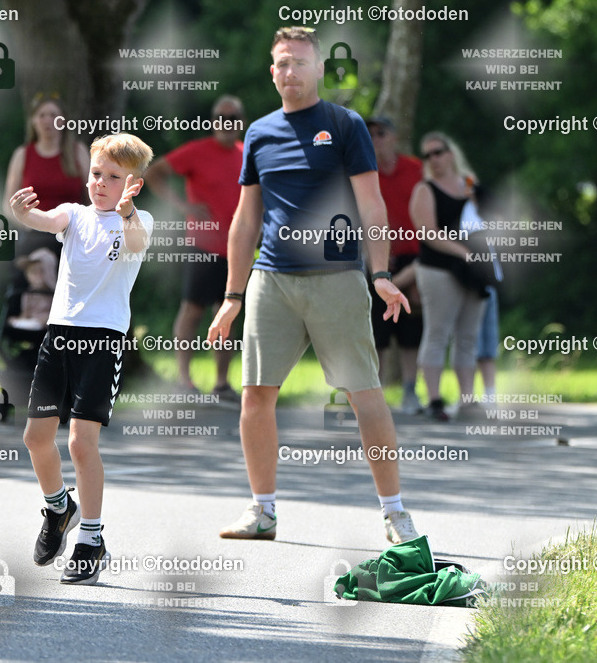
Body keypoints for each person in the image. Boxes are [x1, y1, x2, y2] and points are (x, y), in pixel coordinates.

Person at [207, 27, 420, 545]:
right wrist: (233, 296)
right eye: (282, 63)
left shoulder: (345, 125)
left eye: (300, 63)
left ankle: (395, 514)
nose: (291, 72)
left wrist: (380, 274)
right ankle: (262, 511)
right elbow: (245, 221)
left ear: (320, 70)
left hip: (337, 279)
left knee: (364, 395)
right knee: (255, 396)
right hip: (272, 279)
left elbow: (372, 205)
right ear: (271, 71)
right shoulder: (259, 133)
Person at [9, 133, 154, 585]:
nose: (101, 183)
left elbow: (136, 244)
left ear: (133, 185)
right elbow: (46, 219)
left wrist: (127, 212)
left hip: (103, 341)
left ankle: (91, 539)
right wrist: (24, 214)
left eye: (113, 177)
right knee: (36, 438)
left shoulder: (138, 221)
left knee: (80, 443)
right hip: (59, 337)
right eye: (96, 174)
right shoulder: (74, 215)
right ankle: (59, 508)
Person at [145, 95, 246, 401]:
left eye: (232, 118)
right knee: (192, 310)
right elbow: (153, 172)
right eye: (220, 117)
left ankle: (222, 385)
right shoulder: (197, 151)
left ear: (241, 122)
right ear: (213, 122)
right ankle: (184, 382)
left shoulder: (247, 153)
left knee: (227, 314)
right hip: (203, 245)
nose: (226, 123)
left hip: (237, 249)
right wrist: (182, 206)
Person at [408, 131, 488, 421]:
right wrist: (462, 252)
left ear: (451, 153)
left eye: (438, 152)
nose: (434, 159)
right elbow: (428, 233)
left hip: (473, 272)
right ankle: (434, 400)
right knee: (437, 333)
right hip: (438, 270)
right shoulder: (424, 189)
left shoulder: (470, 184)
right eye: (427, 155)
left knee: (468, 336)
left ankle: (467, 400)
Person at [365, 116, 425, 415]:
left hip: (412, 258)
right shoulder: (363, 172)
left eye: (381, 133)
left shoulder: (416, 169)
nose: (375, 139)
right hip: (377, 259)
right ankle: (374, 397)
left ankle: (410, 392)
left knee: (411, 330)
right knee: (376, 329)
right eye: (370, 134)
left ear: (394, 137)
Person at [4, 93, 90, 261]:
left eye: (53, 115)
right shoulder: (22, 155)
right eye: (42, 115)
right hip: (34, 233)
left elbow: (92, 198)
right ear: (33, 121)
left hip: (73, 233)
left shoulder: (78, 152)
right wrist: (26, 223)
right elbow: (8, 203)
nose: (47, 120)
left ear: (63, 121)